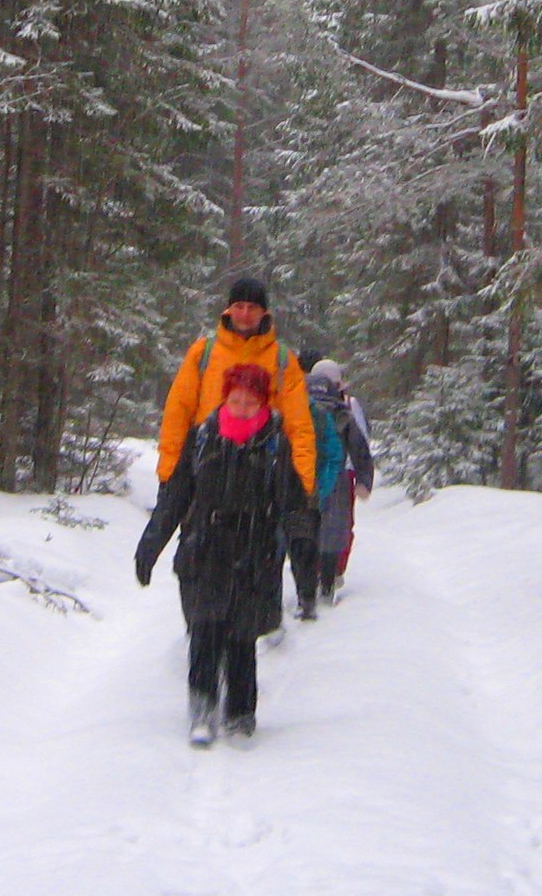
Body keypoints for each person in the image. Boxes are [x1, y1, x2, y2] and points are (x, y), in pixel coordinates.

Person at [135, 361, 315, 745]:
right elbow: (175, 496)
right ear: (225, 398)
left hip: (255, 552)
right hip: (206, 549)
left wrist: (302, 551)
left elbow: (292, 504)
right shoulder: (202, 438)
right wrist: (151, 543)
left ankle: (240, 713)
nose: (243, 407)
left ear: (264, 402)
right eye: (236, 399)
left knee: (241, 638)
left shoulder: (274, 444)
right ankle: (201, 710)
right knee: (203, 632)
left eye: (251, 401)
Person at [157, 276, 316, 499]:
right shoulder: (203, 353)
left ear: (264, 312)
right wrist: (169, 473)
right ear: (229, 309)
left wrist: (301, 487)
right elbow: (178, 413)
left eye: (252, 307)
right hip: (205, 474)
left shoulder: (283, 361)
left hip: (260, 483)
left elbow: (299, 427)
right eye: (239, 306)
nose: (244, 313)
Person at [306, 358, 374, 603]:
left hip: (304, 475)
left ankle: (310, 580)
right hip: (340, 475)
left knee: (307, 528)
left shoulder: (300, 405)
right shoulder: (345, 407)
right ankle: (330, 575)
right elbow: (361, 442)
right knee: (337, 528)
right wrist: (364, 478)